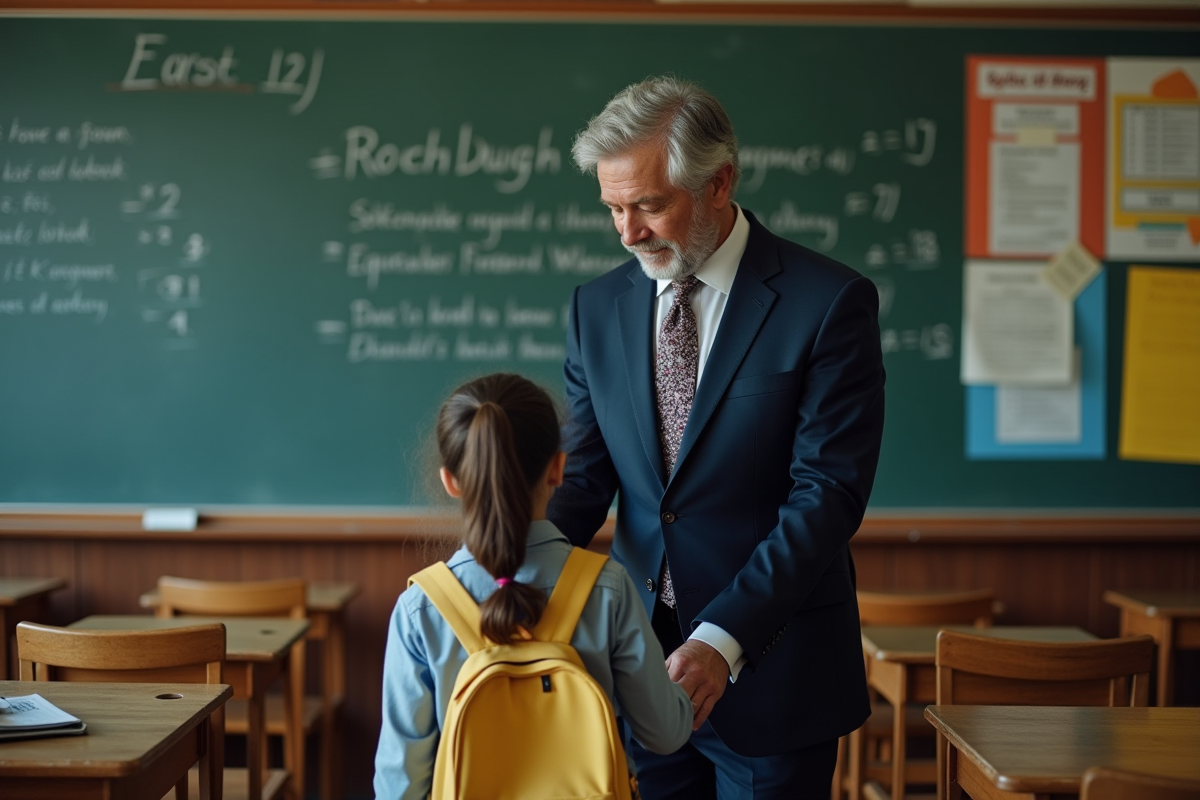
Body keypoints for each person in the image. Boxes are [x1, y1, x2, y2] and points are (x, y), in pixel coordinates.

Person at [546, 76, 886, 798]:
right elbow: (582, 482)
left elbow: (827, 495)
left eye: (648, 205)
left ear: (718, 182)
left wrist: (722, 640)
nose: (628, 232)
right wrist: (504, 570)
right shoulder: (595, 309)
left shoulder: (827, 303)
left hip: (774, 670)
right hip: (641, 669)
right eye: (612, 208)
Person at [373, 372, 692, 800]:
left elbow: (400, 787)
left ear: (451, 481)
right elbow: (665, 734)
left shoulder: (421, 610)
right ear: (558, 468)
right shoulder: (607, 589)